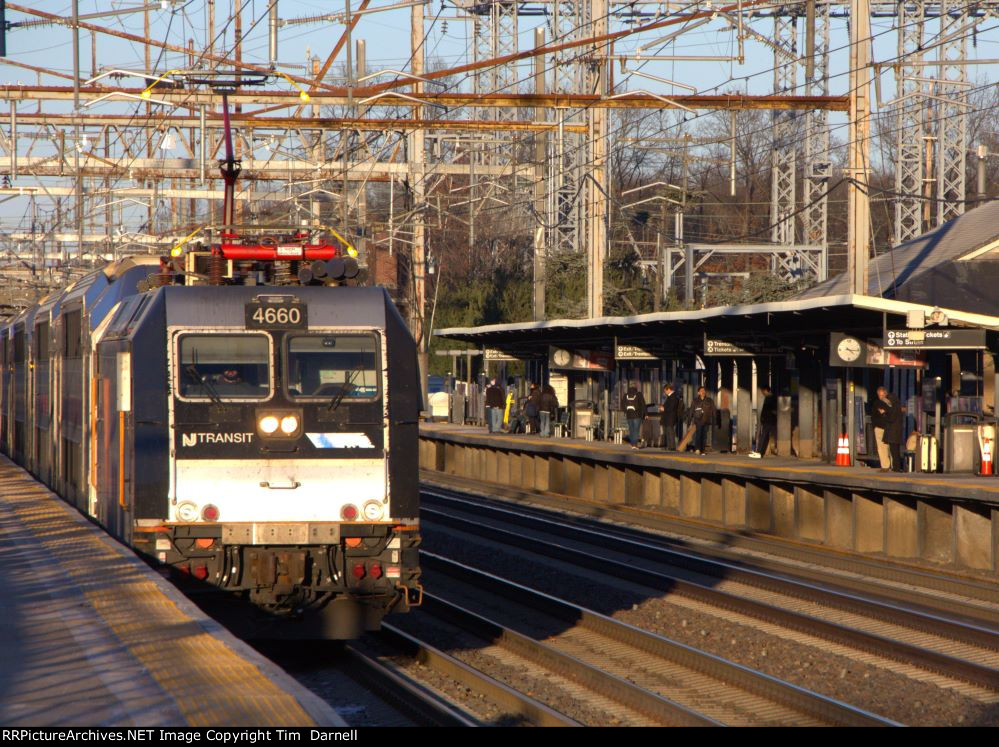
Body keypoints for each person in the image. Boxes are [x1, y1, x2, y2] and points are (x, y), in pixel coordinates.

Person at [879, 386, 905, 472]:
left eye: (882, 395)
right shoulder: (896, 403)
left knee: (894, 450)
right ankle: (896, 467)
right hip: (896, 429)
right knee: (895, 450)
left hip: (892, 430)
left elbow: (890, 418)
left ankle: (896, 468)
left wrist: (883, 413)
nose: (881, 398)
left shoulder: (890, 404)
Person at [748, 385, 777, 459]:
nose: (762, 393)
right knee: (767, 436)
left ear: (766, 390)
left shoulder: (769, 398)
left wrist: (763, 418)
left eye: (763, 391)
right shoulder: (770, 398)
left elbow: (767, 410)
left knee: (763, 436)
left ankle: (759, 452)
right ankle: (760, 452)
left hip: (769, 420)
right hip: (770, 420)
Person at [870, 386, 893, 471]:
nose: (881, 397)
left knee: (888, 446)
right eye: (880, 395)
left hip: (887, 427)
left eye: (883, 395)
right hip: (879, 427)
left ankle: (888, 465)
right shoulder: (878, 403)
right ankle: (885, 465)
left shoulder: (888, 403)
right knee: (882, 447)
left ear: (886, 394)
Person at [688, 386, 715, 455]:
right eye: (701, 391)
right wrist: (689, 420)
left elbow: (713, 410)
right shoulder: (695, 401)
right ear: (698, 393)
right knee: (698, 434)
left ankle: (702, 450)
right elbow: (691, 410)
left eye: (704, 391)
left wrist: (715, 420)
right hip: (698, 420)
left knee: (704, 436)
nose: (703, 392)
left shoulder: (710, 400)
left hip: (706, 420)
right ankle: (697, 449)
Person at [623, 382, 647, 449]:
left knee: (631, 430)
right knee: (636, 430)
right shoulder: (639, 394)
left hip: (629, 415)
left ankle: (632, 444)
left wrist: (626, 411)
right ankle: (635, 445)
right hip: (637, 415)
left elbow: (622, 404)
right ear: (636, 388)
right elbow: (643, 404)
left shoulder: (626, 395)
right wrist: (646, 414)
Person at [659, 383, 682, 450]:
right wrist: (663, 407)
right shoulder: (670, 397)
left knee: (670, 432)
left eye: (665, 391)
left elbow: (672, 407)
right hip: (668, 417)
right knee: (668, 432)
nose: (665, 392)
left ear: (669, 389)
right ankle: (669, 446)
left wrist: (664, 408)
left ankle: (672, 446)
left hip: (670, 417)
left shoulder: (673, 397)